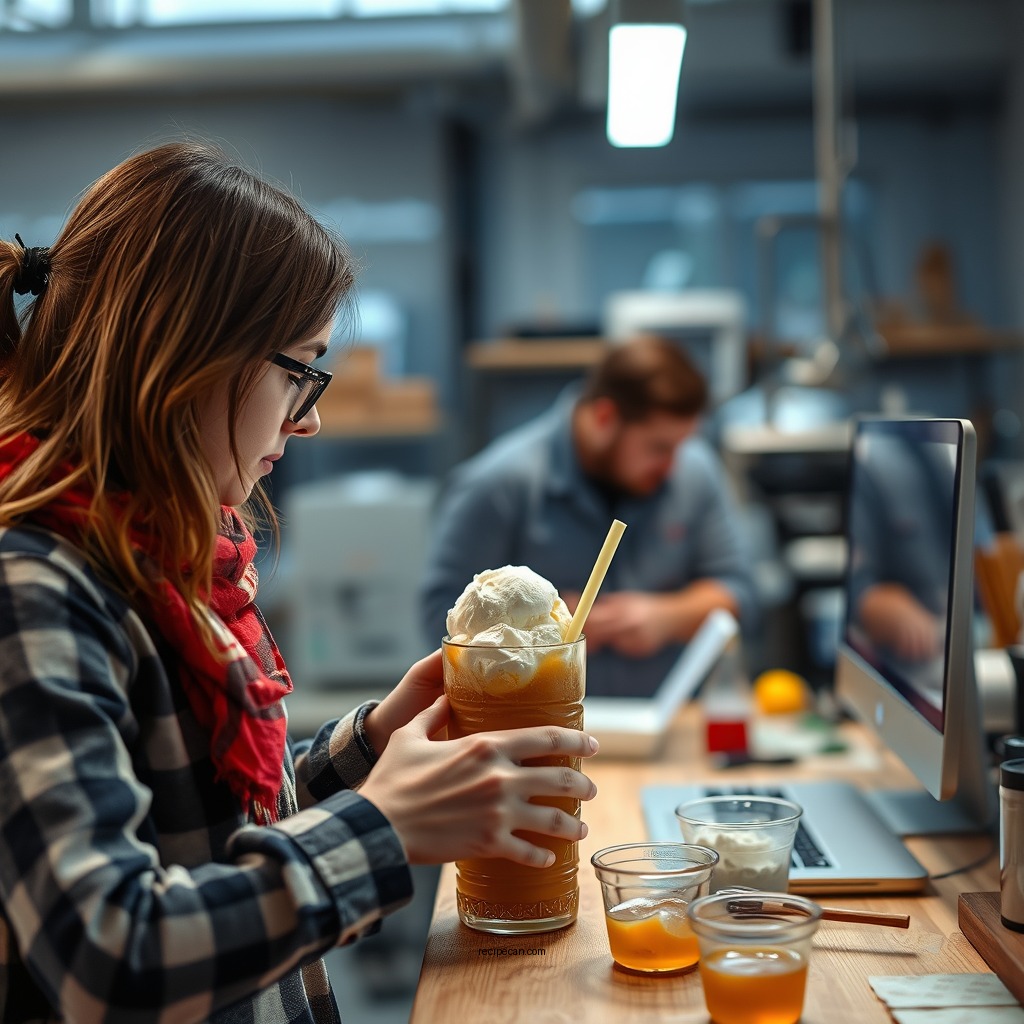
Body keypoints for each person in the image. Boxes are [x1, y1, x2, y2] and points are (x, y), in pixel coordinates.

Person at [0, 140, 598, 1024]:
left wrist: (373, 750)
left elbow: (209, 841)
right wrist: (382, 829)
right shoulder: (36, 590)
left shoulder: (169, 559)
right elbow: (107, 954)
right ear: (188, 357)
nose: (308, 420)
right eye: (300, 371)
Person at [421, 335, 758, 698]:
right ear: (604, 417)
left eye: (682, 444)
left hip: (672, 720)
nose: (672, 465)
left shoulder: (696, 472)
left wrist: (668, 617)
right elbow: (443, 617)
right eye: (659, 447)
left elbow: (742, 594)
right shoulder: (497, 485)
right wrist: (545, 623)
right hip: (538, 723)